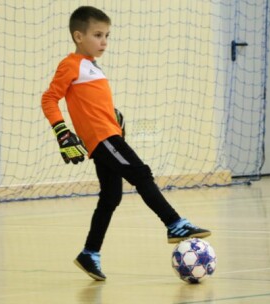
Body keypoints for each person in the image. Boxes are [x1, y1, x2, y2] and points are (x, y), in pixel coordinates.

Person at [41, 6, 211, 281]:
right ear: (78, 36)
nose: (104, 41)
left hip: (111, 135)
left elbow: (93, 104)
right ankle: (174, 224)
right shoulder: (70, 64)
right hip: (103, 139)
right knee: (141, 173)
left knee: (111, 197)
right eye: (97, 35)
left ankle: (89, 253)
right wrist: (62, 132)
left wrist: (115, 116)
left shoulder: (92, 67)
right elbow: (49, 98)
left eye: (107, 35)